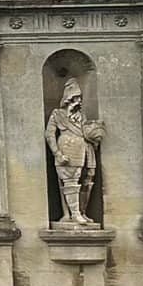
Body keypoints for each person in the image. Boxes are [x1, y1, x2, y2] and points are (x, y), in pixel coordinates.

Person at [46, 78, 104, 226]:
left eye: (80, 98)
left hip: (85, 149)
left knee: (87, 180)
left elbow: (86, 132)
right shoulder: (57, 114)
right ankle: (74, 213)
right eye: (76, 98)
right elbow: (49, 134)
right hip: (67, 148)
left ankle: (82, 212)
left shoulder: (81, 116)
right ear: (69, 98)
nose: (79, 101)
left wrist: (94, 133)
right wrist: (57, 153)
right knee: (70, 180)